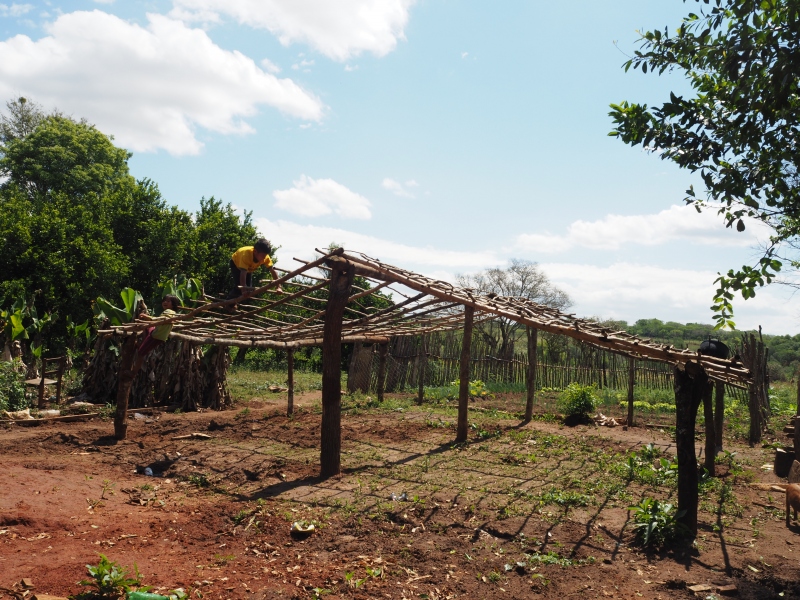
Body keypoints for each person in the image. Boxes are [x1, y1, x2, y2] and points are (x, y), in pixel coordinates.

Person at [131, 294, 181, 374]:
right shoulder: (172, 312)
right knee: (146, 327)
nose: (165, 302)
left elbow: (162, 319)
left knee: (141, 353)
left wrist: (148, 317)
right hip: (156, 333)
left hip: (156, 336)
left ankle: (133, 372)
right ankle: (142, 344)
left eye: (168, 301)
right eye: (164, 300)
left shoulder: (169, 312)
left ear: (173, 304)